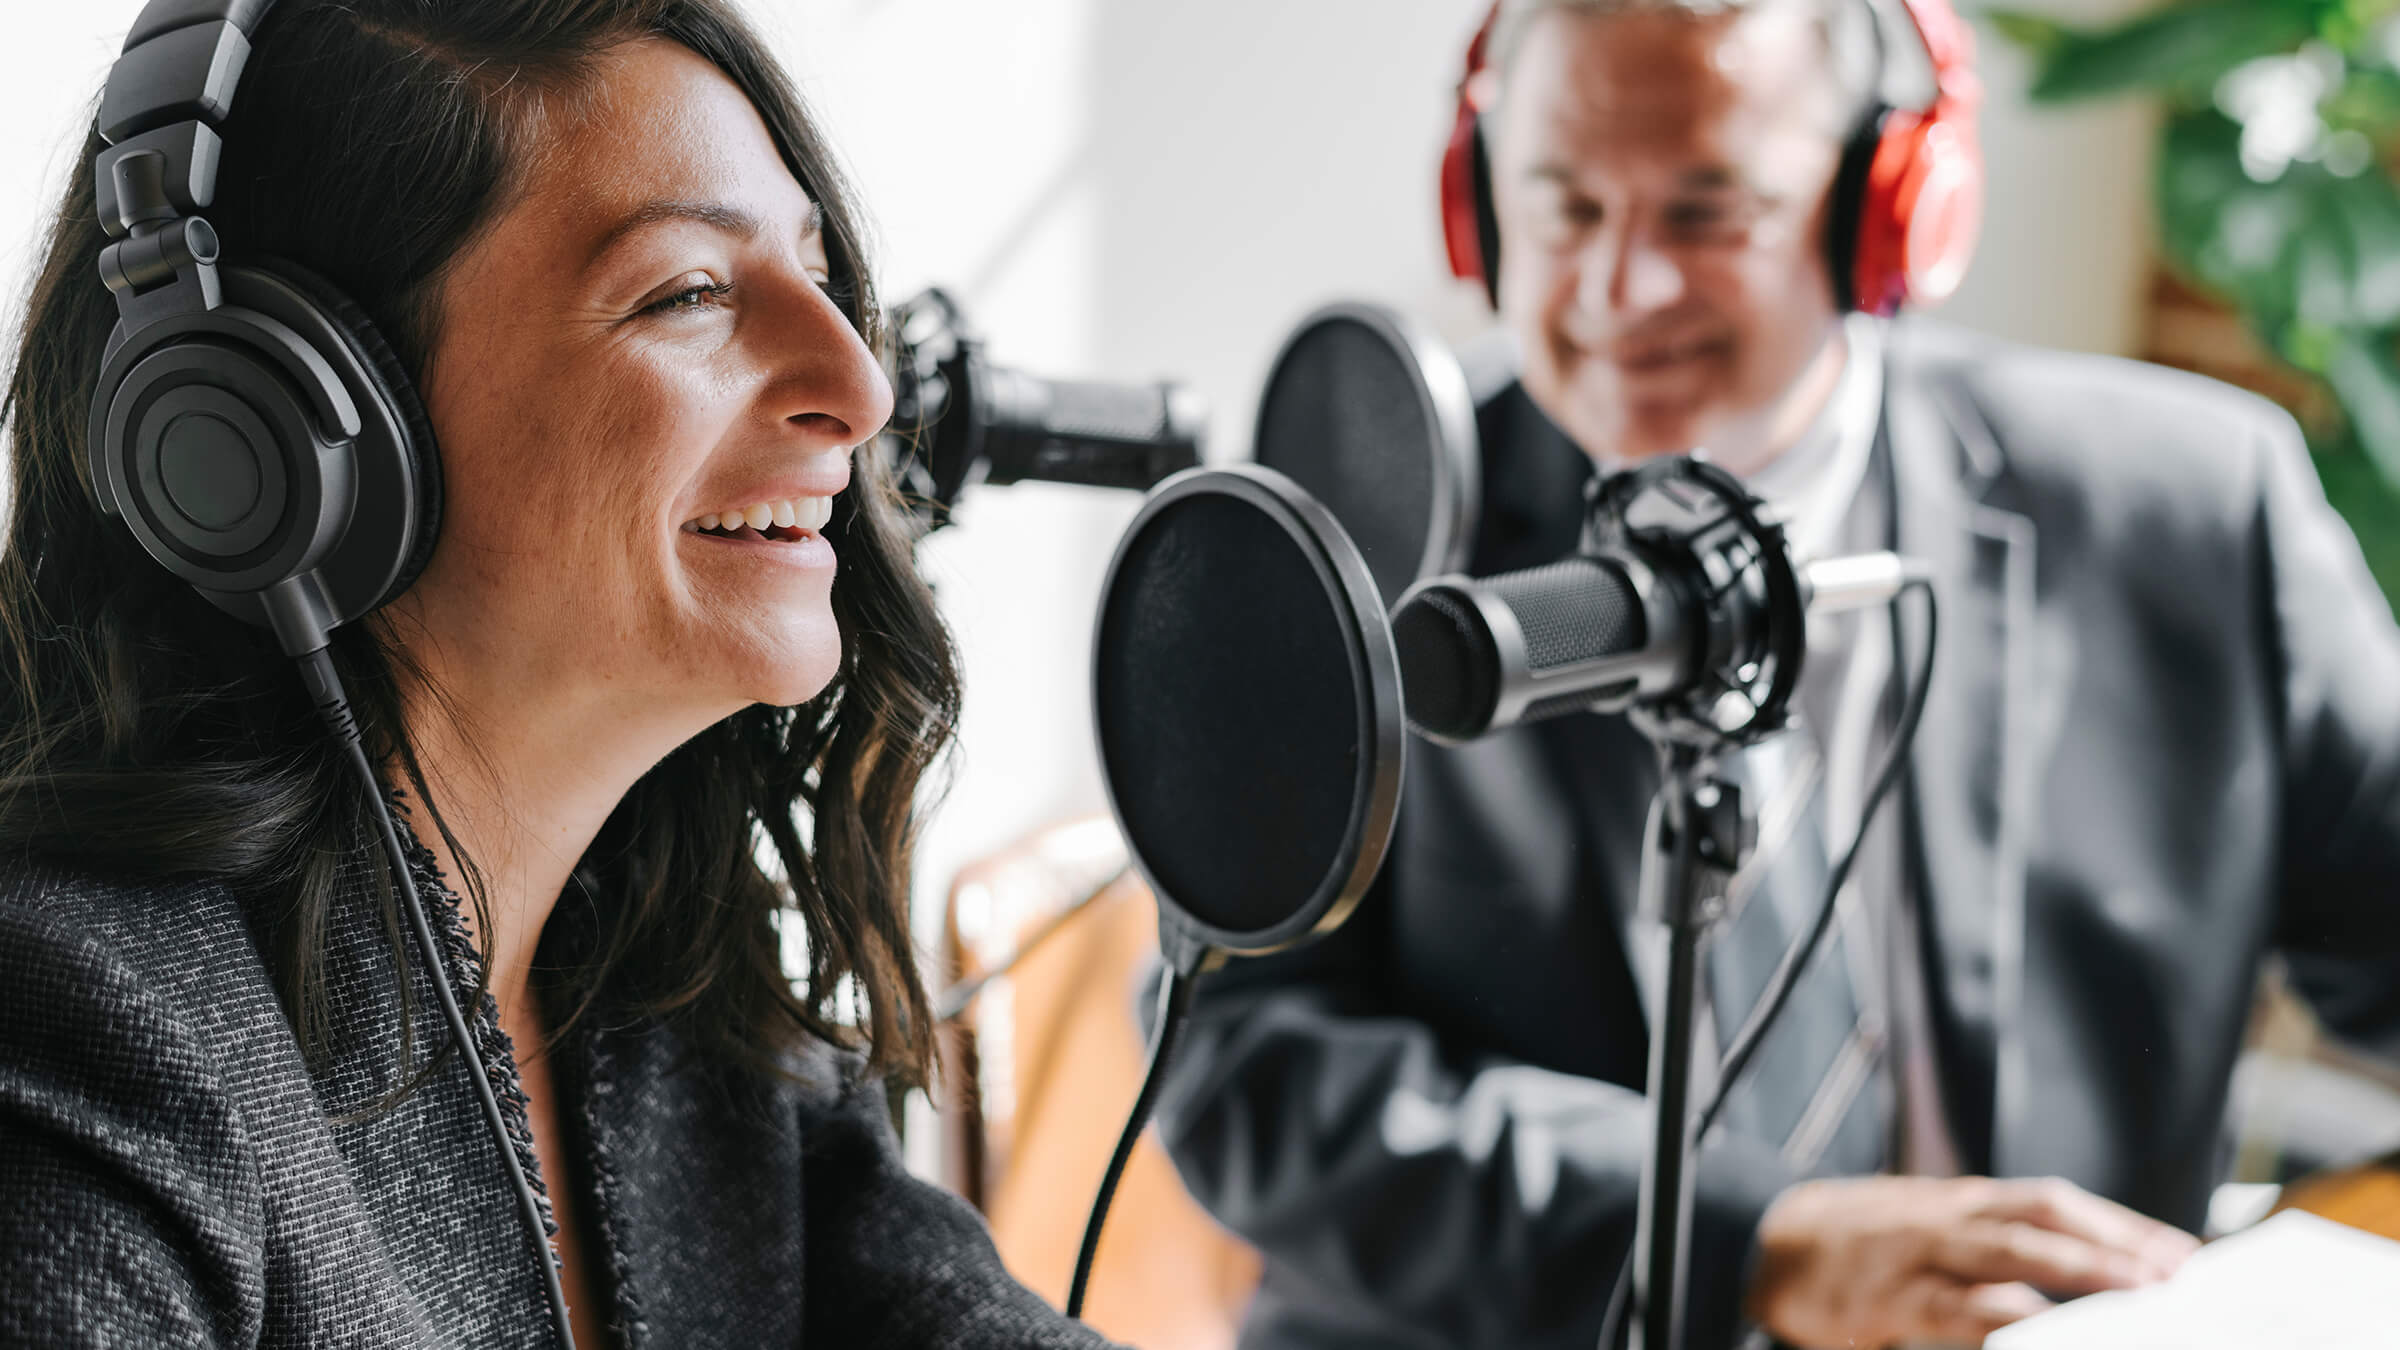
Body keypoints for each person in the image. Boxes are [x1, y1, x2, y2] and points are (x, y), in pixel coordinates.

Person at [1153, 0, 2400, 1347]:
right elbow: (1236, 1065)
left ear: (1891, 209)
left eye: (1708, 213)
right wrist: (1753, 1243)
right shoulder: (1352, 526)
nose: (1621, 290)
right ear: (1481, 207)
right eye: (1565, 209)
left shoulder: (2194, 512)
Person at [0, 3, 1119, 1347]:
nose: (859, 387)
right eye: (689, 291)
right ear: (290, 438)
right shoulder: (81, 1033)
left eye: (819, 277)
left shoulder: (693, 1025)